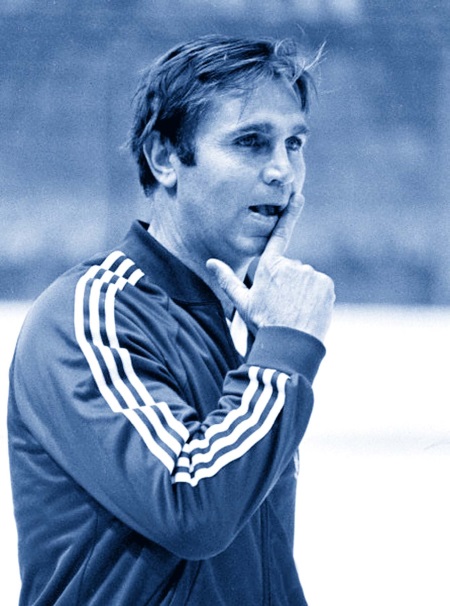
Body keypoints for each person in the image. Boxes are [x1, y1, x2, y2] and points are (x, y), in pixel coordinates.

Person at [8, 34, 335, 605]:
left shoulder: (243, 328)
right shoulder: (92, 313)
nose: (283, 171)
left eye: (294, 143)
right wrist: (283, 357)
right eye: (251, 142)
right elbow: (193, 506)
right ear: (164, 159)